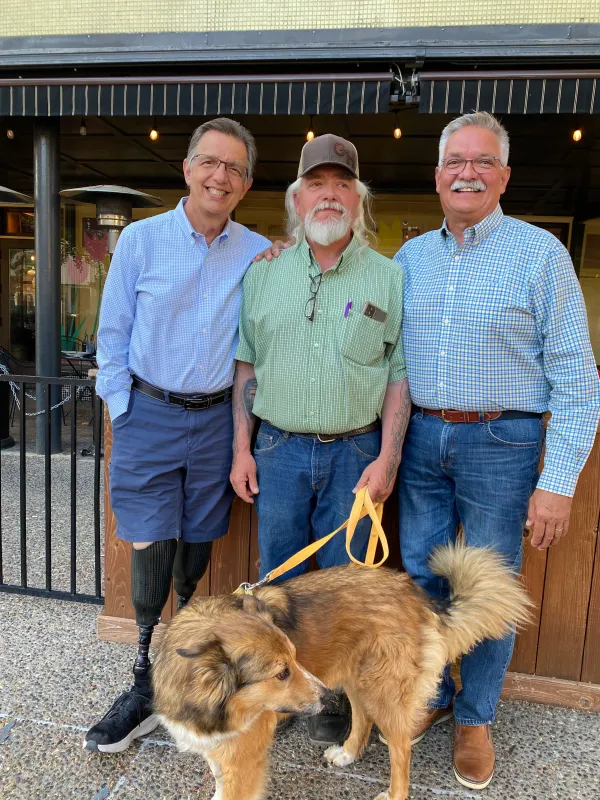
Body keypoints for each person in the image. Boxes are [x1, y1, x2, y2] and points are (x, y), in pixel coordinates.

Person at [393, 111, 600, 791]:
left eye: (483, 161)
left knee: (488, 590)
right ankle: (433, 693)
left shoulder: (540, 254)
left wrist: (559, 480)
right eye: (456, 160)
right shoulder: (410, 257)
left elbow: (576, 378)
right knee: (422, 578)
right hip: (422, 434)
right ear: (438, 174)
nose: (467, 172)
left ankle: (476, 715)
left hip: (503, 441)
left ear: (504, 175)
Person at [85, 118, 271, 753]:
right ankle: (142, 678)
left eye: (235, 169)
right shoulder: (140, 240)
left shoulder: (257, 251)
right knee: (149, 539)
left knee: (196, 542)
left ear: (246, 184)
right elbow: (111, 336)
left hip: (219, 419)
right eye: (210, 163)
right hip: (149, 413)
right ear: (188, 169)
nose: (221, 176)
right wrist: (122, 409)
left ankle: (181, 667)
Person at [230, 133, 411, 746]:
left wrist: (387, 458)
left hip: (357, 455)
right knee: (276, 585)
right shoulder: (264, 274)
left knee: (346, 590)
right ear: (296, 200)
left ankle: (333, 699)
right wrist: (240, 449)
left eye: (341, 185)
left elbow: (398, 376)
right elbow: (246, 368)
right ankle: (276, 696)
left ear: (358, 201)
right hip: (277, 451)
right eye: (316, 184)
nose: (328, 194)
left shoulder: (391, 279)